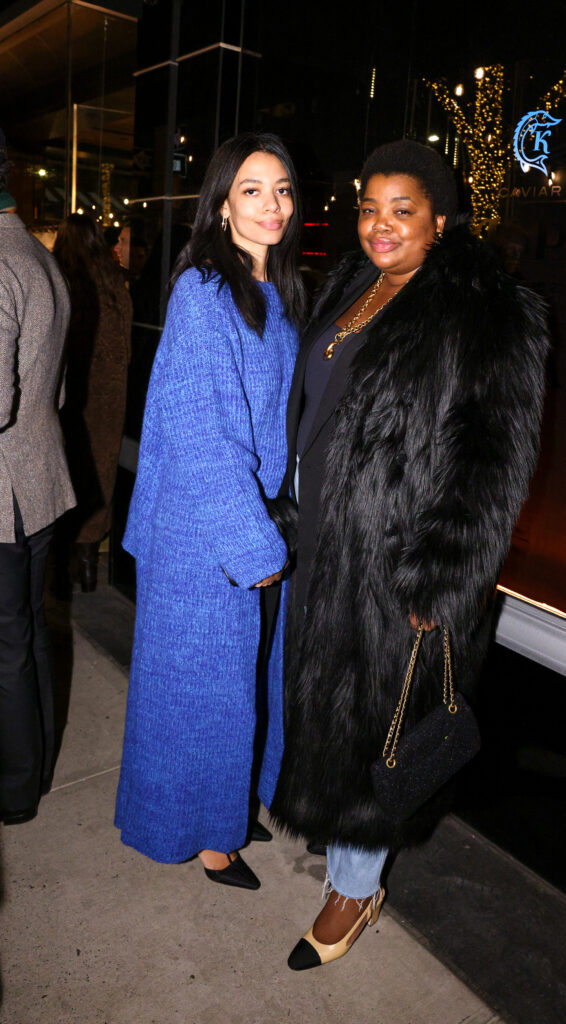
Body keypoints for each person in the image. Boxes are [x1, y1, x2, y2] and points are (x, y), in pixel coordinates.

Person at [269, 140, 548, 968]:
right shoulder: (352, 286)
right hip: (321, 542)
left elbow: (493, 461)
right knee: (323, 704)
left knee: (375, 726)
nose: (380, 225)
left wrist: (443, 574)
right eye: (368, 208)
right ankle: (332, 829)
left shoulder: (484, 310)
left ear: (440, 219)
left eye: (402, 210)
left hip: (397, 564)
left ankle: (355, 890)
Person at [114, 133, 305, 889]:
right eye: (252, 190)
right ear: (222, 204)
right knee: (199, 695)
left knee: (237, 686)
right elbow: (203, 433)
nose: (271, 205)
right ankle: (203, 835)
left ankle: (226, 805)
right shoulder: (204, 292)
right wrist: (254, 547)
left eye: (282, 189)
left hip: (249, 521)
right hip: (203, 533)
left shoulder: (275, 292)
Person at [0, 129, 75, 824]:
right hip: (42, 478)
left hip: (7, 495)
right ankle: (32, 770)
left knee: (9, 644)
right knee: (24, 634)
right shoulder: (37, 254)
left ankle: (15, 788)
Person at [53, 214, 132, 591]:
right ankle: (87, 570)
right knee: (100, 474)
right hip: (110, 396)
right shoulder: (116, 281)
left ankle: (59, 574)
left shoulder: (59, 277)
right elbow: (125, 345)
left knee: (65, 473)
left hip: (70, 393)